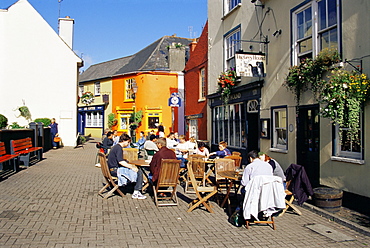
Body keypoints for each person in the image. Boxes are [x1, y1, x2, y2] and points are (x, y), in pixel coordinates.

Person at [108, 133, 146, 199]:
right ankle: (137, 192)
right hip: (115, 170)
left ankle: (137, 186)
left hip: (112, 169)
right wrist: (131, 167)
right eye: (128, 142)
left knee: (134, 169)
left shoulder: (115, 147)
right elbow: (121, 161)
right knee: (138, 171)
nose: (128, 144)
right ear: (124, 141)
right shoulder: (119, 148)